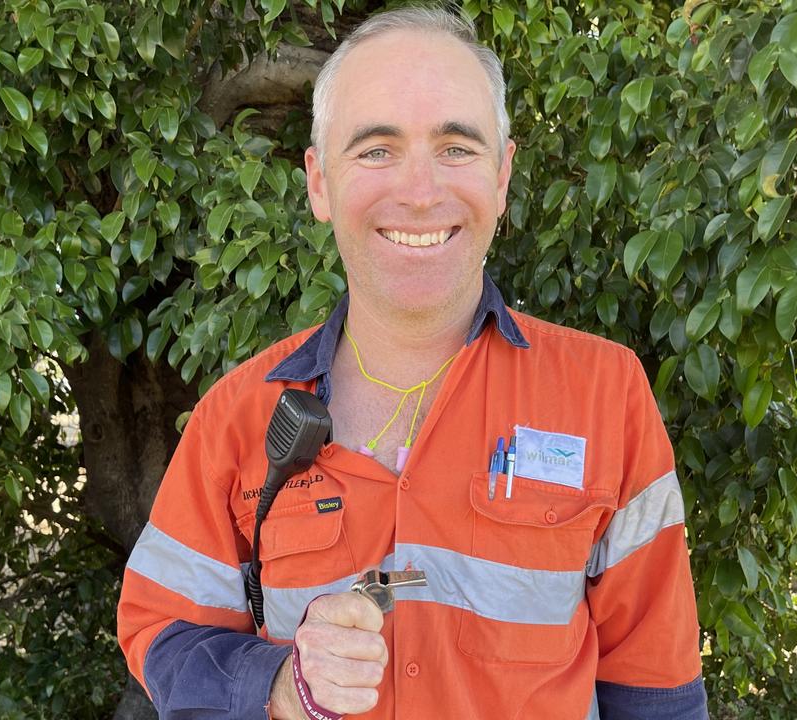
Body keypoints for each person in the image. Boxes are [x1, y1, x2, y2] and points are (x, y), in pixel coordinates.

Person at [117, 6, 708, 719]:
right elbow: (160, 631)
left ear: (502, 176)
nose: (421, 192)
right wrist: (278, 683)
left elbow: (657, 691)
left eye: (456, 147)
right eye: (376, 150)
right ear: (319, 184)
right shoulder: (237, 417)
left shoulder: (605, 395)